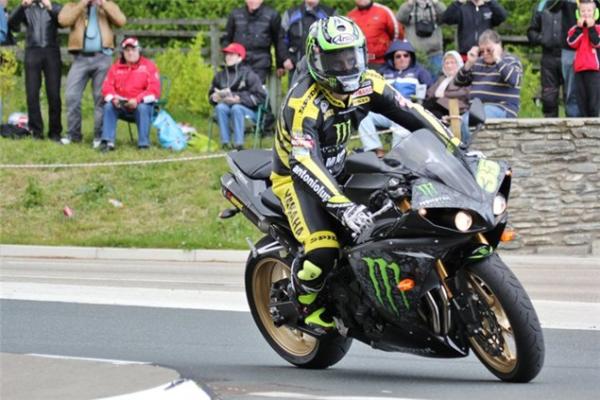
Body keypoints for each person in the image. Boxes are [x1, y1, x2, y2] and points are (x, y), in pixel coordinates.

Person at [271, 16, 434, 329]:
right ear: (317, 59)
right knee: (323, 248)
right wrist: (341, 206)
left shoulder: (368, 83)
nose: (346, 66)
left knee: (396, 192)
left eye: (352, 56)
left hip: (339, 164)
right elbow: (304, 162)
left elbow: (412, 113)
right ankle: (301, 300)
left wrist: (456, 146)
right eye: (336, 59)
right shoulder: (302, 104)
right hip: (295, 177)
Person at [59, 0, 126, 147]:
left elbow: (121, 21)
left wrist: (103, 4)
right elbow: (63, 21)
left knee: (101, 98)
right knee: (72, 96)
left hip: (103, 58)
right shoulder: (72, 6)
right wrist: (82, 4)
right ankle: (73, 135)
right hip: (80, 59)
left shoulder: (108, 5)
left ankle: (99, 136)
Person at [359, 39, 433, 158]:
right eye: (398, 56)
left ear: (411, 57)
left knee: (401, 119)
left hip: (407, 110)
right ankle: (376, 151)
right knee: (363, 115)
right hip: (385, 111)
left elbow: (431, 92)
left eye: (406, 55)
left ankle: (395, 156)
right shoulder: (383, 72)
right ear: (392, 58)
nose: (402, 58)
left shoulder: (420, 72)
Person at [455, 30, 523, 143]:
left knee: (468, 122)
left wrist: (497, 59)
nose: (485, 54)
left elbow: (514, 80)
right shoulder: (478, 63)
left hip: (501, 108)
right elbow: (458, 82)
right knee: (452, 129)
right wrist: (469, 63)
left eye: (489, 50)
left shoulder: (511, 61)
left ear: (498, 46)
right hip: (476, 109)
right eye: (482, 51)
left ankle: (466, 153)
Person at [9, 0, 62, 141]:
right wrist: (22, 6)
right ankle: (36, 132)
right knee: (32, 93)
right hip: (32, 51)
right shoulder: (26, 7)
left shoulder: (55, 5)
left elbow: (63, 21)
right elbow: (12, 25)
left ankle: (55, 132)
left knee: (54, 94)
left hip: (52, 51)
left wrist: (49, 7)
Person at [99, 37, 160, 152]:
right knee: (108, 106)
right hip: (121, 104)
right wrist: (113, 99)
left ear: (139, 50)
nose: (130, 53)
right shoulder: (115, 67)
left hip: (141, 105)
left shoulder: (149, 66)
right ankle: (107, 142)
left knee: (142, 107)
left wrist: (137, 100)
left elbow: (154, 90)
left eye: (133, 49)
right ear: (123, 52)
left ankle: (143, 144)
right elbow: (107, 87)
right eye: (127, 50)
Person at [208, 43, 266, 151]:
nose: (228, 57)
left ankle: (238, 144)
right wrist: (214, 98)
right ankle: (225, 143)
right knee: (220, 108)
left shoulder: (249, 74)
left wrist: (239, 99)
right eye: (226, 54)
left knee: (236, 108)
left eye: (231, 54)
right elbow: (211, 95)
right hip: (225, 108)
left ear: (240, 57)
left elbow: (261, 96)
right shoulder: (220, 75)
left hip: (248, 111)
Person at [222, 0, 285, 83]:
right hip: (238, 61)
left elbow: (278, 41)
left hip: (261, 62)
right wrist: (228, 58)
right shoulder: (235, 15)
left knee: (256, 89)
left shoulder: (272, 15)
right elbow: (227, 39)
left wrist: (280, 64)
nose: (253, 1)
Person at [279, 0, 335, 84]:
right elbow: (281, 38)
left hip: (323, 69)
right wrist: (285, 58)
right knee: (296, 95)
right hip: (295, 67)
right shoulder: (290, 14)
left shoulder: (330, 14)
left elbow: (336, 40)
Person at [527, 0, 566, 118]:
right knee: (549, 98)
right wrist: (542, 39)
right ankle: (550, 129)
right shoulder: (541, 5)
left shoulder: (573, 3)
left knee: (571, 97)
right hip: (548, 57)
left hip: (569, 56)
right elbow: (531, 31)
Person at [441, 0, 508, 59]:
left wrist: (490, 2)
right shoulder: (462, 9)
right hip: (465, 54)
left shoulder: (490, 8)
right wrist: (458, 2)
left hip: (486, 54)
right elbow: (446, 18)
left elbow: (503, 17)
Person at [396, 0, 447, 77]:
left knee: (436, 84)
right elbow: (400, 18)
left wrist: (436, 3)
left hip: (435, 54)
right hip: (415, 55)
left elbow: (447, 16)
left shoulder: (435, 5)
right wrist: (409, 3)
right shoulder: (409, 6)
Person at [567, 0, 600, 117]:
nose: (586, 13)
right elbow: (571, 43)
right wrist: (580, 28)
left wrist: (590, 28)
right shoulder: (574, 30)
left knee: (593, 102)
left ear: (595, 13)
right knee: (581, 101)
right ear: (578, 13)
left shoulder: (598, 29)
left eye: (589, 10)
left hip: (594, 70)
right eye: (583, 11)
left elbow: (596, 43)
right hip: (579, 70)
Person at [348, 0, 401, 70]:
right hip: (358, 64)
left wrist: (390, 51)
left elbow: (398, 34)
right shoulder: (350, 16)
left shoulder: (384, 11)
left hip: (382, 63)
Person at [423, 50, 470, 119]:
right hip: (438, 106)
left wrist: (445, 94)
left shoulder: (464, 77)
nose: (449, 66)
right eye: (446, 63)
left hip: (456, 106)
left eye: (452, 63)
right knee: (432, 112)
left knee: (429, 106)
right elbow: (430, 92)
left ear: (458, 63)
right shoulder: (442, 78)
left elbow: (465, 93)